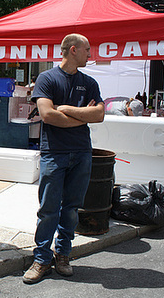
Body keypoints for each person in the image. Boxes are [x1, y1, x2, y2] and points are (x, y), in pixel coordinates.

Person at [23, 34, 104, 284]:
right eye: (87, 49)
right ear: (73, 50)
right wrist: (82, 116)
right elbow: (47, 114)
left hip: (81, 152)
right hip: (54, 153)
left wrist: (66, 109)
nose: (90, 54)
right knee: (48, 209)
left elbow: (99, 114)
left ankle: (63, 254)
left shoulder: (89, 82)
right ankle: (41, 258)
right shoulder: (47, 79)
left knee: (70, 209)